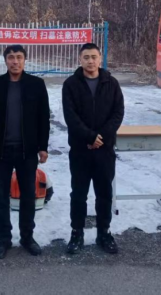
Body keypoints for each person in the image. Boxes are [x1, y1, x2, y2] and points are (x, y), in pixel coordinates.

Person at [0, 44, 51, 260]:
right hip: (0, 152)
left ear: (24, 60)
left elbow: (43, 118)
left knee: (28, 196)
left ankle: (27, 237)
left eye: (19, 57)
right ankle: (4, 239)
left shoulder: (36, 85)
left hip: (27, 151)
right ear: (5, 61)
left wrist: (43, 146)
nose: (15, 61)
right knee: (0, 196)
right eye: (11, 57)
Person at [62, 42, 124, 255]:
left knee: (104, 193)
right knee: (78, 194)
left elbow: (118, 113)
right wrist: (89, 137)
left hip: (104, 150)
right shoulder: (71, 84)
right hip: (80, 149)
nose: (90, 61)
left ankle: (104, 233)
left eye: (94, 57)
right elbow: (70, 116)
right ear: (80, 59)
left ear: (100, 58)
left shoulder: (111, 83)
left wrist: (101, 137)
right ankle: (76, 233)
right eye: (86, 57)